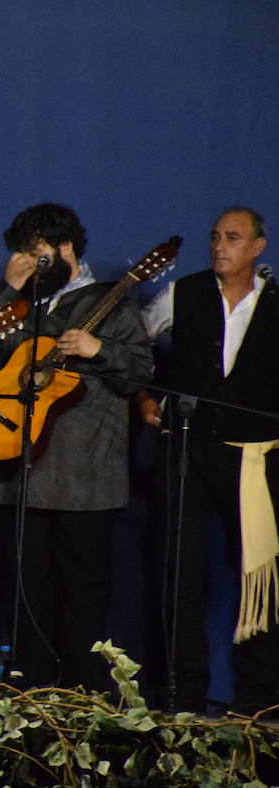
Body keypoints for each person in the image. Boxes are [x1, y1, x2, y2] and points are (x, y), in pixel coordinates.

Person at [0, 203, 152, 691]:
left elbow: (142, 371)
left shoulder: (112, 302)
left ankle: (84, 704)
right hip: (21, 477)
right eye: (23, 255)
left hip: (87, 478)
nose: (30, 264)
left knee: (83, 600)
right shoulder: (22, 302)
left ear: (66, 247)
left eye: (37, 253)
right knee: (26, 598)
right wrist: (6, 289)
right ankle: (30, 704)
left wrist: (100, 351)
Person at [139, 206, 279, 713]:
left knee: (259, 577)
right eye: (216, 237)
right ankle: (182, 690)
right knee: (180, 571)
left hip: (255, 459)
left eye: (234, 238)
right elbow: (135, 347)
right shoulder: (183, 293)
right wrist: (143, 398)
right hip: (187, 450)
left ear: (258, 247)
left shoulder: (275, 304)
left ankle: (259, 698)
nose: (221, 246)